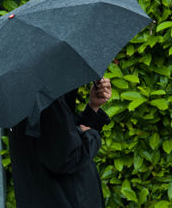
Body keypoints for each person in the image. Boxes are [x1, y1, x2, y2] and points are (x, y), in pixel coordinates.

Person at [9, 78, 112, 208]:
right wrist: (91, 136)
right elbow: (67, 158)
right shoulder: (46, 97)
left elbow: (63, 136)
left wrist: (92, 109)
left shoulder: (24, 93)